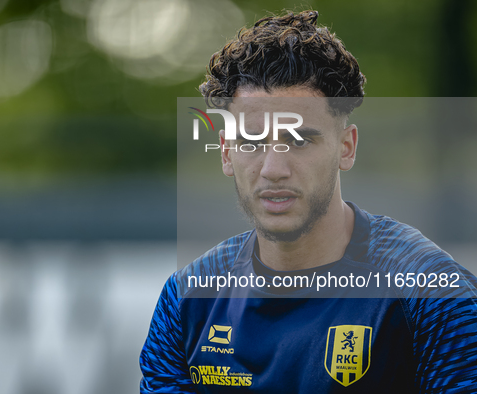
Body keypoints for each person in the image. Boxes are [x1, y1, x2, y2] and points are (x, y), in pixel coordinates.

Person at [140, 10, 477, 393]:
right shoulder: (187, 300)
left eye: (300, 141)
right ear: (226, 153)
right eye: (251, 143)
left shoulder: (431, 295)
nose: (274, 169)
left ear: (346, 148)